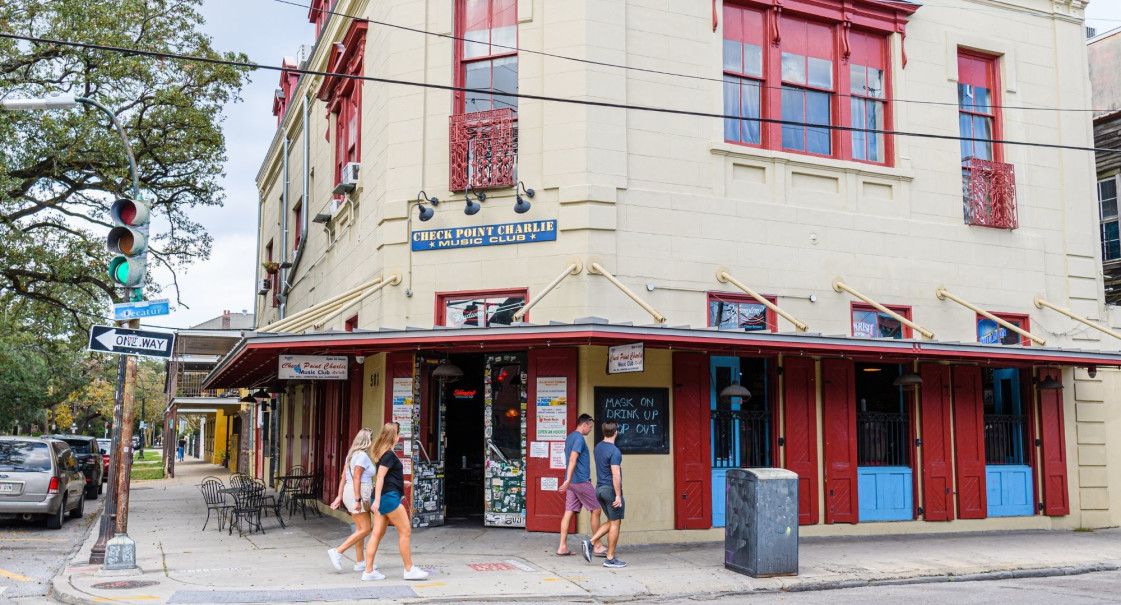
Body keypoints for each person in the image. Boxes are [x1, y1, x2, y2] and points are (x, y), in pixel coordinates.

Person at [362, 422, 428, 581]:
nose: (399, 436)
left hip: (386, 495)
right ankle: (409, 569)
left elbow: (387, 477)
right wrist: (377, 501)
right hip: (388, 498)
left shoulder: (382, 453)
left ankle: (368, 571)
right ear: (394, 436)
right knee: (405, 531)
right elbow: (379, 477)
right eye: (398, 433)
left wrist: (402, 483)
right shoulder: (389, 455)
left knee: (377, 534)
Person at [327, 428, 377, 573]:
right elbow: (356, 477)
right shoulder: (361, 455)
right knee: (366, 529)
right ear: (367, 440)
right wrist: (357, 499)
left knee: (360, 529)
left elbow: (344, 476)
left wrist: (339, 496)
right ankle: (338, 551)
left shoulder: (351, 455)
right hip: (358, 492)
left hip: (350, 491)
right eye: (371, 439)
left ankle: (360, 562)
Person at [556, 414, 607, 557]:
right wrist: (569, 479)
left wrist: (568, 480)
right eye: (590, 427)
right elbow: (572, 459)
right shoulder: (579, 438)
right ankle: (597, 545)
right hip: (580, 481)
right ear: (584, 424)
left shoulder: (570, 437)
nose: (590, 430)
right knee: (596, 510)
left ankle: (562, 547)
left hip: (572, 482)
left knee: (569, 511)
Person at [583, 420, 626, 568]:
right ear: (616, 432)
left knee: (611, 521)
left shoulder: (598, 447)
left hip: (599, 489)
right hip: (610, 490)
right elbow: (615, 474)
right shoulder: (615, 451)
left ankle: (591, 542)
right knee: (615, 523)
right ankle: (610, 558)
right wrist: (618, 495)